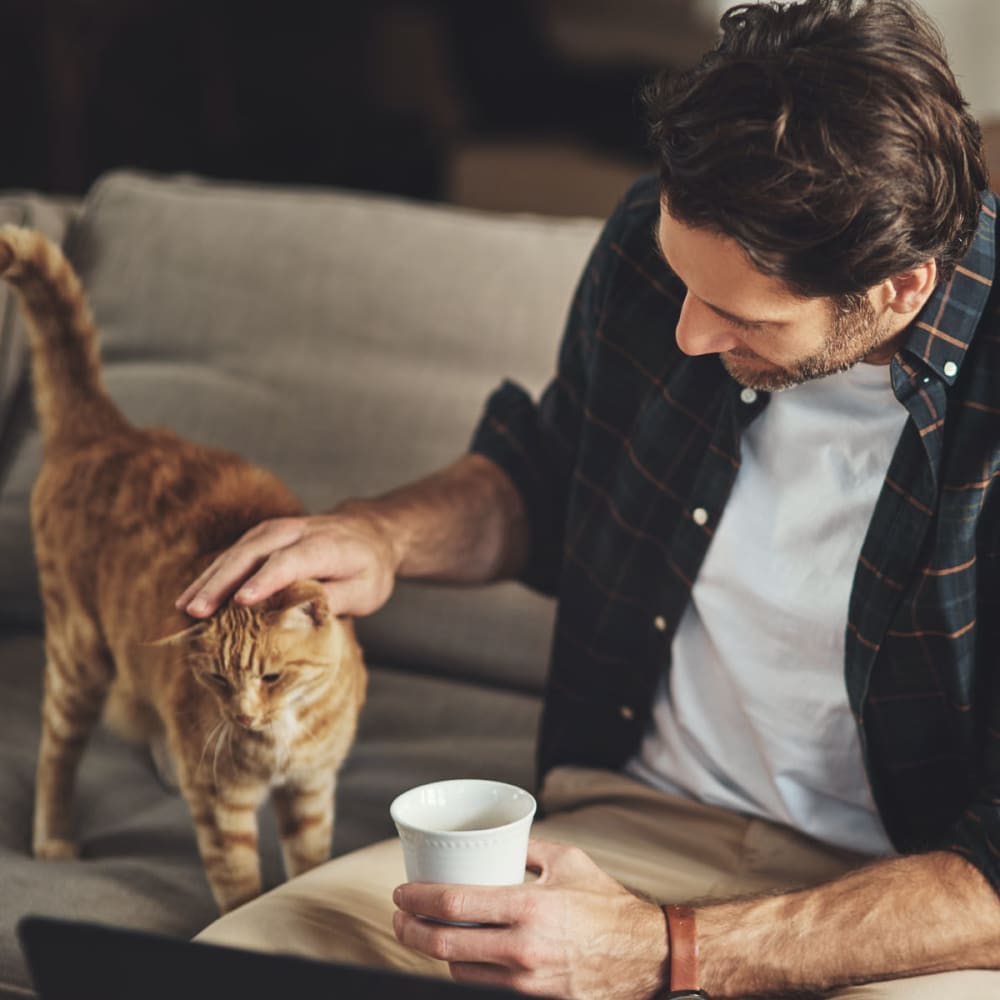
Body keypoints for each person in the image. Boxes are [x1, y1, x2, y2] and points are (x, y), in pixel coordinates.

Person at [176, 1, 1000, 996]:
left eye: (738, 313)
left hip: (903, 905)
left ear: (896, 290)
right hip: (623, 822)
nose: (688, 335)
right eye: (678, 279)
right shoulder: (648, 252)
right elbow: (552, 472)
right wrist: (382, 536)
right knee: (236, 970)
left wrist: (667, 949)